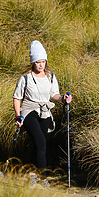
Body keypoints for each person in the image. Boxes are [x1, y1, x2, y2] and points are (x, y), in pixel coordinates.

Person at [13, 40, 72, 180]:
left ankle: (32, 173)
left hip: (45, 111)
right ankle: (43, 178)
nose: (41, 65)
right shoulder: (25, 78)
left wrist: (63, 99)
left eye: (43, 62)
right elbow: (17, 98)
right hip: (28, 110)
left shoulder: (50, 77)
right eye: (38, 62)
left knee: (40, 143)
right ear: (33, 62)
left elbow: (54, 95)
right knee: (40, 141)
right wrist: (18, 116)